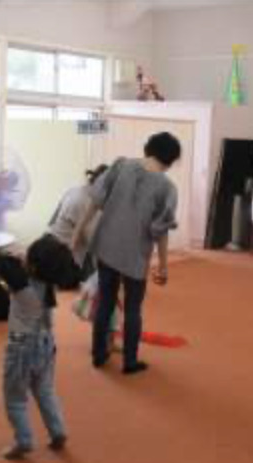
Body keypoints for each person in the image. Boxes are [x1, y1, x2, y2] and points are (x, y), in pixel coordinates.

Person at [71, 132, 180, 375]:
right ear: (172, 160)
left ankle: (99, 355)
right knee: (133, 309)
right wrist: (162, 266)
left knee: (106, 302)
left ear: (147, 148)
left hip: (107, 246)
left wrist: (77, 232)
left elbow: (95, 201)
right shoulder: (167, 188)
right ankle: (130, 362)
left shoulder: (120, 165)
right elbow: (161, 231)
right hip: (136, 255)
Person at [0, 235, 81, 460]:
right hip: (46, 345)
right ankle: (58, 431)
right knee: (45, 390)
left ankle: (24, 440)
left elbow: (0, 262)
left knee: (15, 398)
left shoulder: (23, 285)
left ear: (33, 264)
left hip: (21, 347)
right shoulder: (47, 285)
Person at [47, 164, 109, 277]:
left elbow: (52, 220)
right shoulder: (86, 201)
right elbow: (90, 240)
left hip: (49, 242)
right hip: (62, 253)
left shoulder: (74, 190)